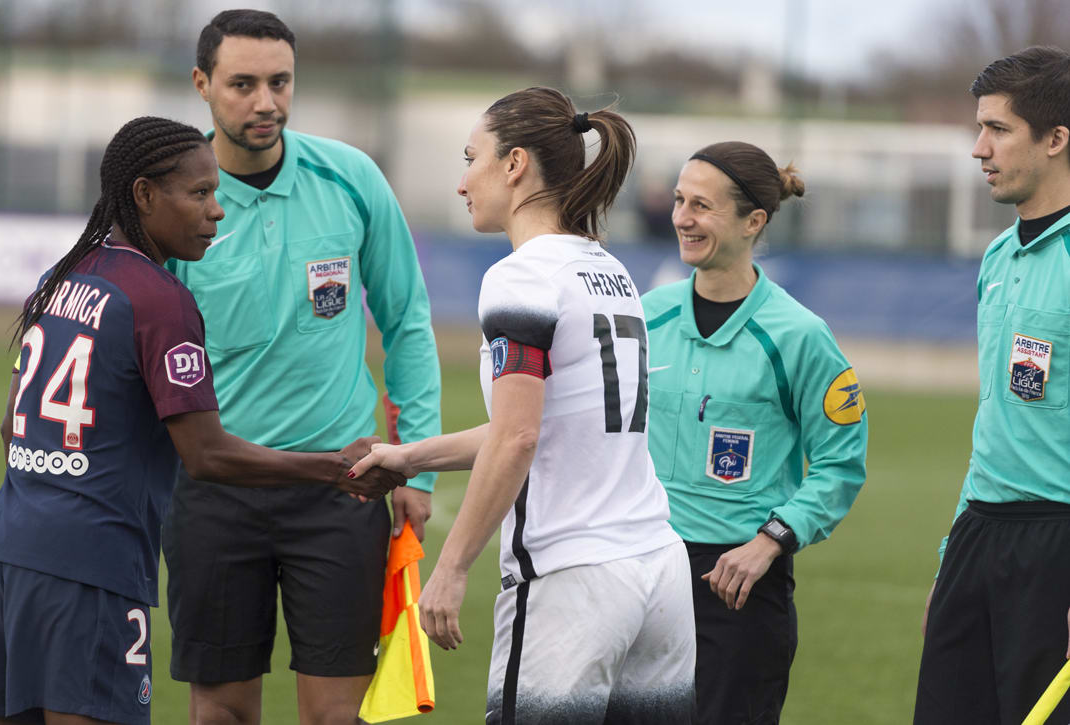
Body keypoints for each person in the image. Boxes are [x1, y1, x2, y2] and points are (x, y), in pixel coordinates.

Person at [0, 116, 402, 725]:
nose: (217, 211)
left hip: (2, 551)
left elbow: (10, 430)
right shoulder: (160, 298)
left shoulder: (59, 279)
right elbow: (207, 455)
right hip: (90, 568)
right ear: (144, 195)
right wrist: (336, 470)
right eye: (200, 193)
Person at [351, 86, 695, 724]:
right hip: (657, 570)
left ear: (514, 165)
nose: (461, 182)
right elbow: (545, 424)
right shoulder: (609, 269)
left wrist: (451, 568)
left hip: (574, 581)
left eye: (469, 157)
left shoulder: (521, 276)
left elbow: (518, 439)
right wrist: (408, 456)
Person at [159, 10, 442, 725]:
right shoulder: (166, 194)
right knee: (220, 710)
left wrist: (417, 468)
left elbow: (407, 320)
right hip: (215, 486)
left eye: (280, 82)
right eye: (243, 84)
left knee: (336, 715)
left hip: (341, 488)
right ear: (202, 84)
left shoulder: (350, 178)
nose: (266, 102)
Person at [639, 141, 869, 724]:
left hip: (735, 587)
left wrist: (769, 541)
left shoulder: (799, 335)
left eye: (702, 207)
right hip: (637, 573)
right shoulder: (646, 315)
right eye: (678, 201)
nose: (682, 218)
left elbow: (841, 464)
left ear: (754, 221)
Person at [915, 46, 1070, 725]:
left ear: (1057, 138)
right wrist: (954, 552)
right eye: (979, 128)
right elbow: (995, 416)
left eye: (998, 129)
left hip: (1056, 542)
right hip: (979, 533)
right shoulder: (998, 255)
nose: (978, 148)